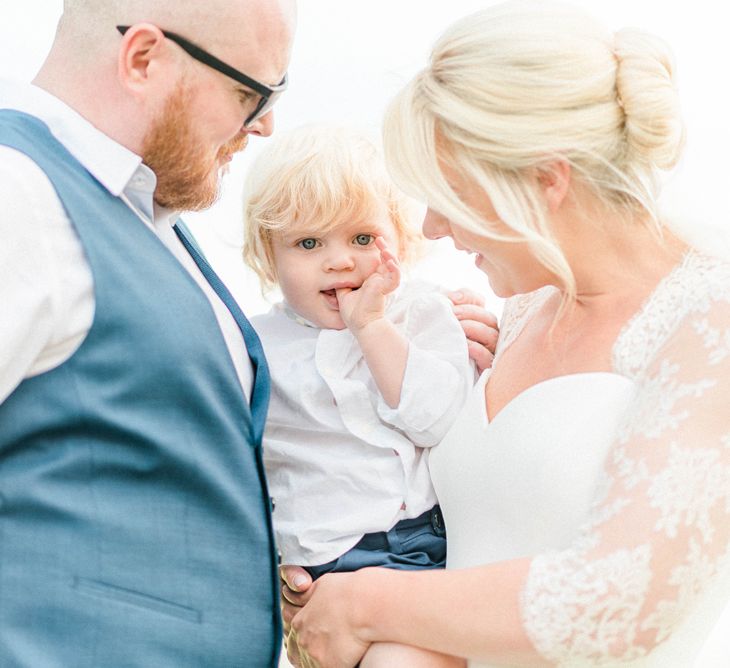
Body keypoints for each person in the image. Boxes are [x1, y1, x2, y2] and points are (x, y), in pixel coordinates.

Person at [280, 1, 730, 666]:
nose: (432, 227)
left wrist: (364, 604)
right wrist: (322, 572)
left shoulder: (708, 325)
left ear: (546, 179)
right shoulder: (512, 317)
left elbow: (621, 597)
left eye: (451, 195)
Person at [0, 0, 297, 664]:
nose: (267, 123)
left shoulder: (151, 220)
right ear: (143, 58)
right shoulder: (15, 191)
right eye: (251, 92)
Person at [243, 124, 475, 667]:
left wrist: (372, 329)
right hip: (321, 562)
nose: (340, 261)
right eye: (308, 243)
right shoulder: (253, 344)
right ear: (267, 253)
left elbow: (438, 421)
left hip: (424, 546)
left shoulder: (420, 314)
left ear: (400, 239)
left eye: (362, 239)